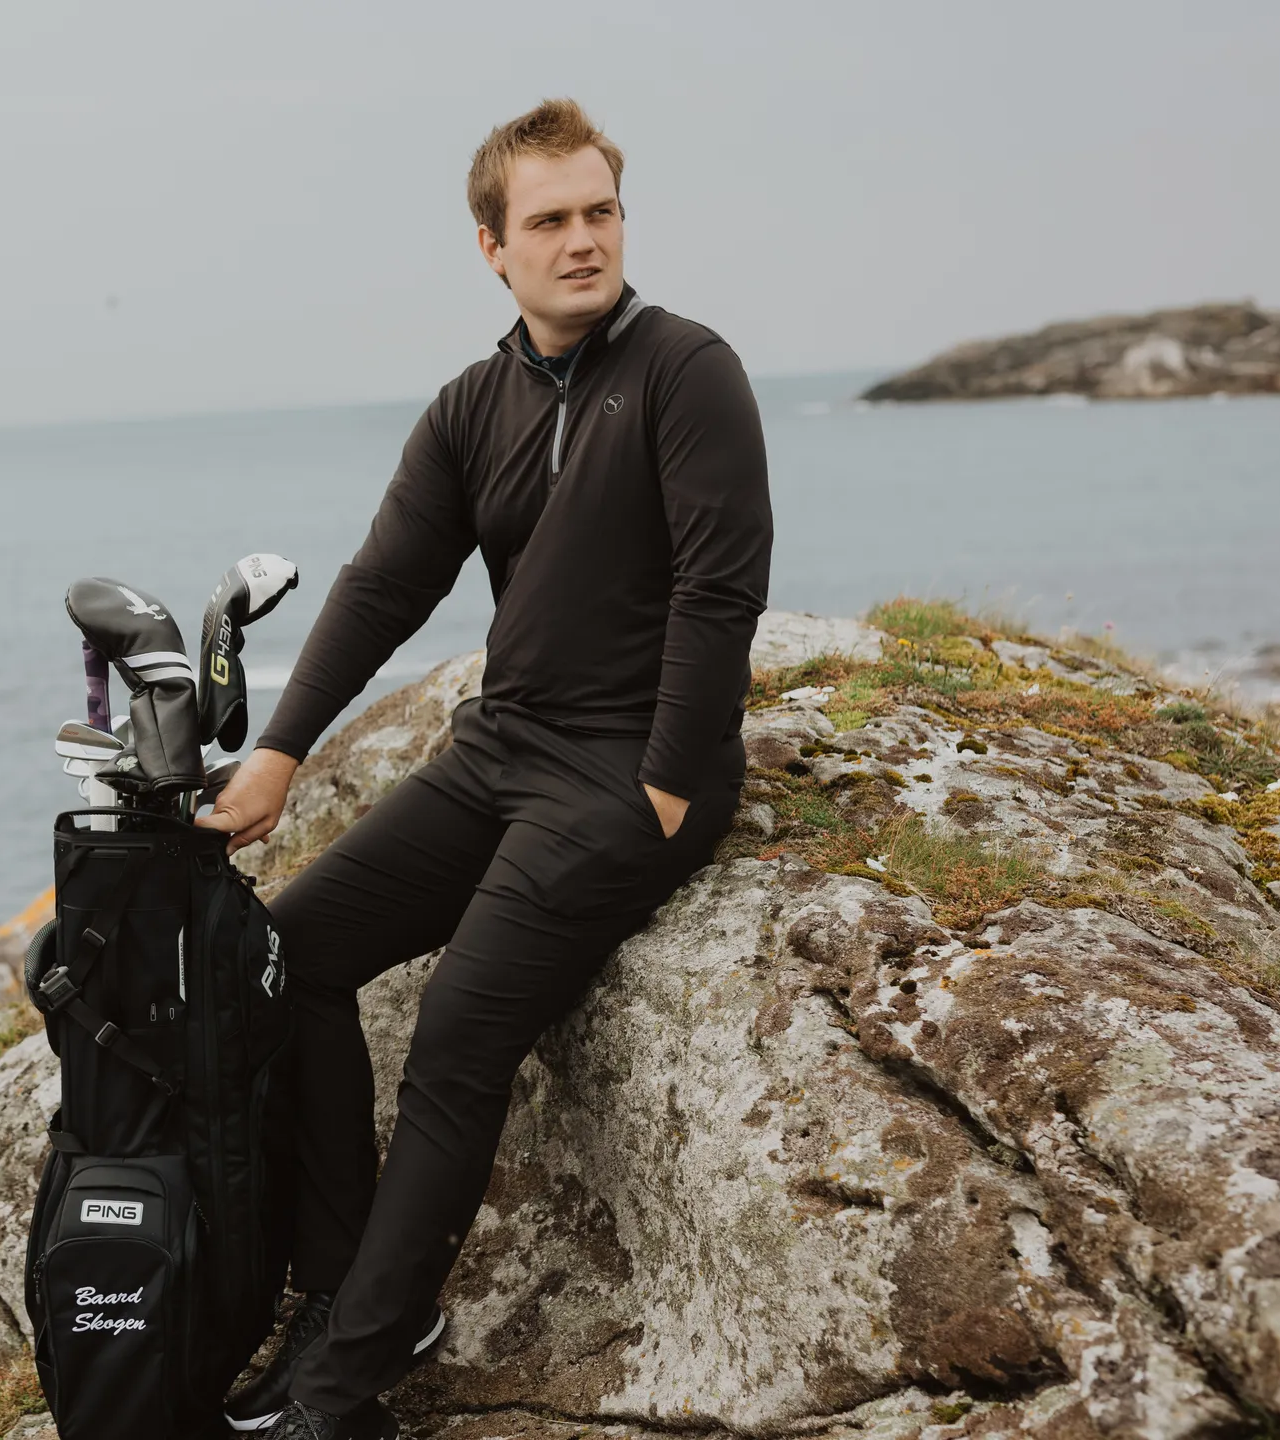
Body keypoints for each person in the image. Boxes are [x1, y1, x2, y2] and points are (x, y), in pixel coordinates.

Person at [196, 98, 773, 1440]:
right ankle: (348, 1292)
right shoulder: (474, 405)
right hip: (502, 750)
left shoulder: (690, 371)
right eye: (551, 221)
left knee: (460, 1031)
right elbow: (384, 582)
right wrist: (280, 751)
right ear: (493, 248)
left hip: (625, 777)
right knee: (289, 960)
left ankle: (343, 1385)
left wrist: (672, 784)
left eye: (600, 212)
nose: (583, 241)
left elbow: (720, 586)